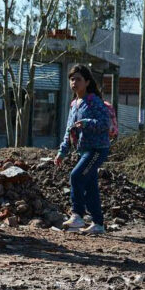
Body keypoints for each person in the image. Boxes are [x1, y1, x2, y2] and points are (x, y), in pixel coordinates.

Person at [54, 64, 111, 235]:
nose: (74, 82)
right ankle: (98, 224)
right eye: (72, 79)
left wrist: (86, 123)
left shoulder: (94, 101)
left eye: (78, 79)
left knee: (76, 176)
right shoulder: (74, 104)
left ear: (87, 82)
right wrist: (61, 152)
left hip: (97, 149)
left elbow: (105, 124)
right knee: (91, 186)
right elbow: (68, 130)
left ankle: (77, 215)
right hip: (83, 151)